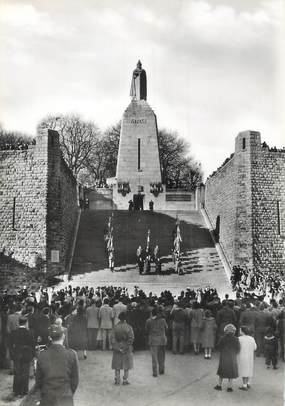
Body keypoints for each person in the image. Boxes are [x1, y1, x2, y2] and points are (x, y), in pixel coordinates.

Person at [35, 324, 79, 406]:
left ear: (49, 338)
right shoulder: (72, 354)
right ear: (63, 336)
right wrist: (69, 392)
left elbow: (38, 380)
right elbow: (75, 380)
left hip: (47, 396)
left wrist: (44, 392)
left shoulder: (42, 355)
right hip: (65, 397)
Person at [10, 316, 35, 398]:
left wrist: (12, 355)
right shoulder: (30, 333)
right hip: (26, 354)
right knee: (25, 372)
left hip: (17, 353)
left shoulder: (14, 332)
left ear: (18, 322)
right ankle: (24, 390)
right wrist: (32, 355)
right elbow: (32, 345)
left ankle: (16, 390)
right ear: (26, 322)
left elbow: (10, 345)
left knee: (17, 372)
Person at [214, 323, 240, 392]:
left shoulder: (222, 338)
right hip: (232, 357)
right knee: (231, 371)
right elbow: (238, 349)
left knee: (222, 371)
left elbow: (218, 347)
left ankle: (219, 385)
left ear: (225, 330)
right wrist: (235, 353)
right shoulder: (236, 339)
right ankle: (229, 387)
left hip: (224, 356)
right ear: (234, 331)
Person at [111, 312, 134, 385]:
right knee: (126, 365)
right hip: (126, 347)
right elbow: (131, 338)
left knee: (117, 365)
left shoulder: (115, 327)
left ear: (119, 318)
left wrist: (117, 347)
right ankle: (125, 380)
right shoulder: (129, 327)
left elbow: (112, 338)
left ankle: (117, 379)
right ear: (125, 318)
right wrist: (126, 347)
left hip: (117, 346)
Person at [145, 307, 168, 377]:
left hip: (153, 340)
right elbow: (166, 328)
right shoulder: (163, 320)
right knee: (162, 356)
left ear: (152, 313)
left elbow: (146, 329)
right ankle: (161, 370)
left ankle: (155, 372)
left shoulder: (149, 321)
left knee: (154, 357)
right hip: (162, 339)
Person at [237, 325, 257, 390]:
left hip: (242, 356)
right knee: (248, 369)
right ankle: (248, 383)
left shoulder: (239, 338)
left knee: (243, 370)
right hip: (250, 356)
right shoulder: (252, 338)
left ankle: (244, 385)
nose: (239, 331)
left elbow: (237, 347)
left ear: (242, 331)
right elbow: (255, 347)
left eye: (240, 330)